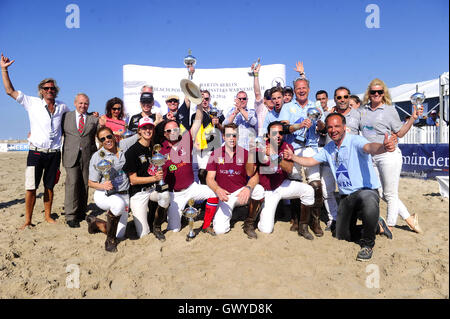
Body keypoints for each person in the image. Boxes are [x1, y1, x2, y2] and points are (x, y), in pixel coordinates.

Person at [284, 113, 396, 261]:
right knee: (341, 235)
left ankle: (367, 245)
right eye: (329, 127)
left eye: (337, 126)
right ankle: (377, 225)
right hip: (346, 196)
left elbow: (369, 147)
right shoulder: (329, 148)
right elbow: (311, 160)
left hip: (365, 191)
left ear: (344, 127)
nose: (333, 130)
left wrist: (383, 147)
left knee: (368, 199)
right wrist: (293, 157)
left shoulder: (355, 140)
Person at [1, 53, 69, 230]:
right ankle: (28, 220)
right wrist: (4, 69)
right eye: (46, 88)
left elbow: (71, 122)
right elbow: (9, 91)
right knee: (31, 187)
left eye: (52, 88)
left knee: (49, 187)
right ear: (41, 91)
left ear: (56, 90)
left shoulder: (63, 107)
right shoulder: (31, 102)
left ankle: (47, 216)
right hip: (36, 152)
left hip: (54, 153)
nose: (49, 91)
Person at [360, 78, 423, 235]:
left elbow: (399, 132)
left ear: (383, 94)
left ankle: (390, 225)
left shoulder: (390, 110)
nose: (376, 94)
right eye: (373, 91)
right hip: (370, 156)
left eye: (379, 92)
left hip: (388, 155)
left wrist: (413, 118)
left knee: (391, 193)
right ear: (369, 93)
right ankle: (409, 218)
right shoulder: (363, 110)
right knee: (379, 192)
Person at [278, 77, 326, 238]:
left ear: (309, 89)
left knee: (316, 184)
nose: (301, 90)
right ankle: (296, 219)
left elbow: (323, 128)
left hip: (311, 148)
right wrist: (299, 125)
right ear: (294, 90)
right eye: (298, 88)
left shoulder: (316, 106)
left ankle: (315, 221)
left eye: (304, 87)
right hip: (294, 148)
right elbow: (284, 128)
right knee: (296, 183)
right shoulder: (287, 106)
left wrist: (318, 123)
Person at [160, 107, 218, 235]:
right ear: (165, 133)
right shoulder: (160, 150)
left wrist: (198, 105)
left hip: (191, 187)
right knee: (174, 230)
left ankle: (206, 225)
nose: (173, 132)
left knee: (214, 194)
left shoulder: (185, 141)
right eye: (169, 130)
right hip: (174, 194)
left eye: (175, 129)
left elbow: (197, 122)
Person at [206, 123, 264, 238]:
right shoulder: (215, 153)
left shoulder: (246, 153)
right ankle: (235, 212)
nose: (232, 139)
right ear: (223, 137)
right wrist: (217, 189)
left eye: (234, 135)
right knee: (220, 230)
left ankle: (249, 223)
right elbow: (209, 178)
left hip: (240, 193)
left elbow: (255, 175)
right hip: (225, 195)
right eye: (228, 135)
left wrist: (248, 188)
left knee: (259, 190)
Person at [257, 121, 315, 236]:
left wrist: (274, 155)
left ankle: (303, 226)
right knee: (266, 230)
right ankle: (259, 210)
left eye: (281, 133)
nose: (278, 135)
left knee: (309, 190)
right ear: (268, 135)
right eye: (274, 133)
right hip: (267, 190)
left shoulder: (288, 146)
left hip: (281, 185)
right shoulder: (260, 146)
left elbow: (288, 169)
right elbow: (250, 171)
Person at [122, 117, 170, 241]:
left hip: (152, 189)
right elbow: (133, 180)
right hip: (138, 193)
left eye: (150, 128)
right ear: (139, 131)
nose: (147, 130)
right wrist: (154, 178)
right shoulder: (132, 151)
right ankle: (143, 220)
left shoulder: (153, 148)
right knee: (143, 234)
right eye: (144, 128)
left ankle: (157, 226)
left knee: (165, 195)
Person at [86, 127, 130, 252]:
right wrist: (103, 186)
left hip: (124, 193)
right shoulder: (98, 156)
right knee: (118, 205)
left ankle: (96, 223)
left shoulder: (124, 148)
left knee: (120, 234)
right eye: (103, 139)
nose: (107, 140)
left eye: (109, 136)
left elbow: (140, 136)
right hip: (105, 194)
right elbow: (90, 182)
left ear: (114, 136)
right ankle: (110, 241)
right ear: (100, 141)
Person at [61, 93, 99, 228]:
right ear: (75, 103)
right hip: (70, 156)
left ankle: (81, 212)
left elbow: (101, 133)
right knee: (72, 184)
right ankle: (70, 216)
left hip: (88, 157)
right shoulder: (65, 117)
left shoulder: (93, 119)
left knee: (84, 184)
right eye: (80, 103)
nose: (83, 106)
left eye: (86, 103)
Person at [190, 89, 225, 184]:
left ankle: (215, 196)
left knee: (216, 174)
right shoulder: (195, 115)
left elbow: (225, 130)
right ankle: (205, 197)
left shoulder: (218, 113)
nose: (204, 101)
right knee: (202, 174)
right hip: (203, 149)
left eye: (206, 98)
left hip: (216, 148)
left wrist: (218, 124)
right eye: (202, 98)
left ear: (210, 99)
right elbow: (194, 131)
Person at [252, 62, 274, 137]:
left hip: (276, 142)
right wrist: (256, 75)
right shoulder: (261, 108)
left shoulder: (279, 110)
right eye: (268, 98)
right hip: (263, 141)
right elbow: (257, 93)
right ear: (264, 100)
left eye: (273, 98)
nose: (271, 100)